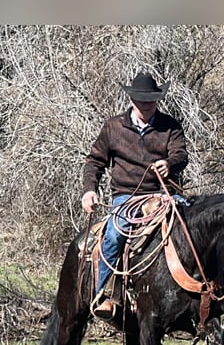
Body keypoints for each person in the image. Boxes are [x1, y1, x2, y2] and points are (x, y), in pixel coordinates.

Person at [81, 72, 189, 320]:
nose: (147, 105)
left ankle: (198, 292)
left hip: (163, 193)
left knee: (190, 226)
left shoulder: (170, 125)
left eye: (151, 100)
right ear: (132, 100)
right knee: (115, 234)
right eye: (142, 100)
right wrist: (89, 190)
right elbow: (95, 162)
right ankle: (105, 293)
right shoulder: (113, 127)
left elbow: (181, 155)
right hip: (126, 196)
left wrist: (169, 164)